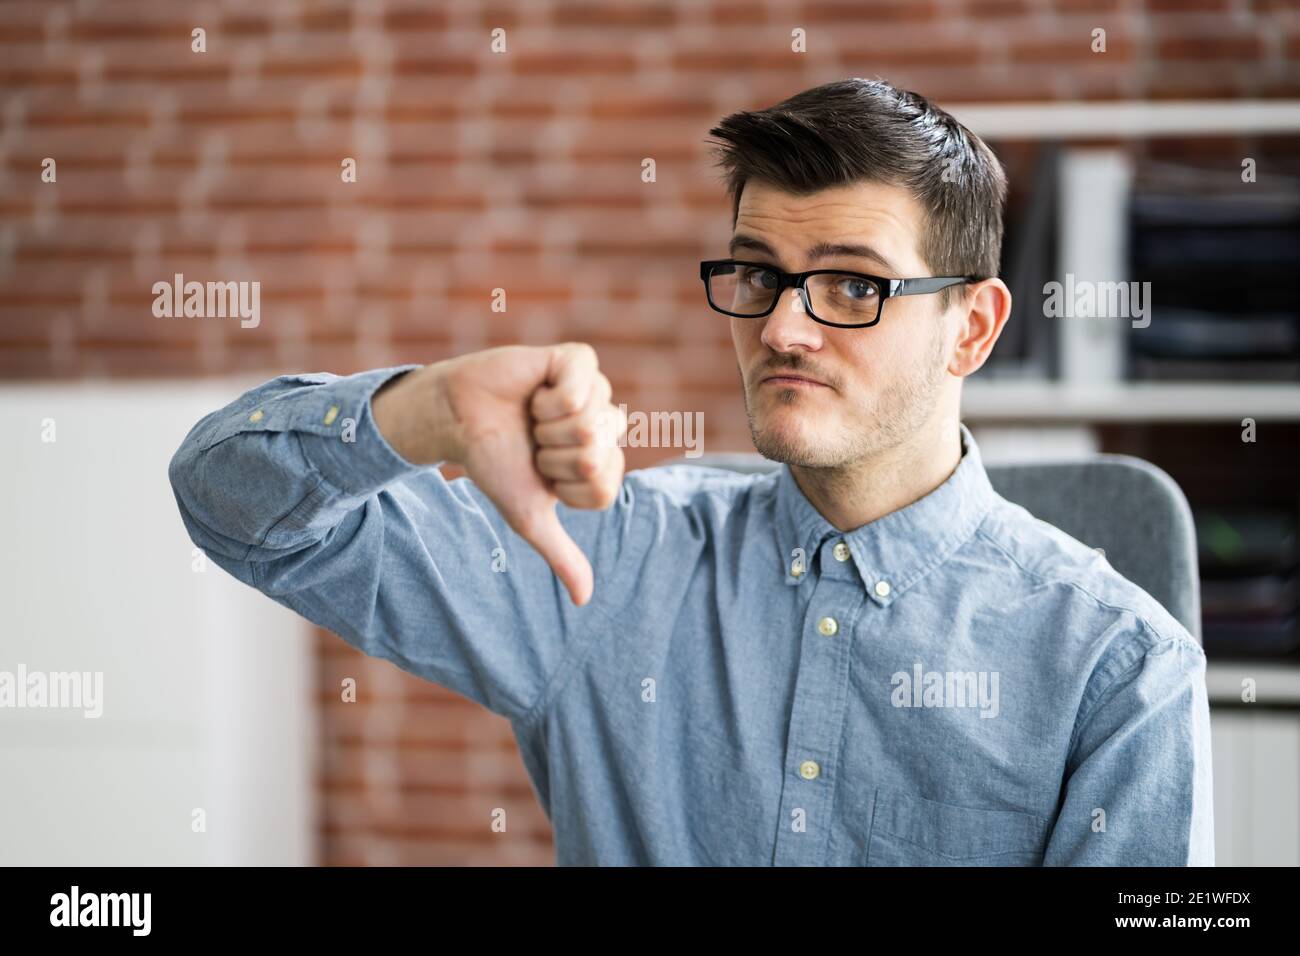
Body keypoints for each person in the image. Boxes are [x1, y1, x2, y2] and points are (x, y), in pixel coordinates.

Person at [168, 77, 1213, 866]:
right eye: (758, 272)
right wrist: (426, 410)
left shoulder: (1119, 667)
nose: (784, 326)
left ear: (971, 328)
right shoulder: (603, 555)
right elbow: (232, 503)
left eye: (852, 284)